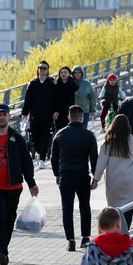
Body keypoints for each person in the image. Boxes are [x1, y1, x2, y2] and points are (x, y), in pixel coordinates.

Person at [0, 103, 39, 265]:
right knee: (0, 218)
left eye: (4, 114)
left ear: (9, 117)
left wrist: (31, 183)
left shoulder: (17, 138)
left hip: (13, 186)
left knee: (10, 219)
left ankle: (4, 249)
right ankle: (3, 252)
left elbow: (26, 162)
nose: (2, 117)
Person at [51, 105, 98, 251]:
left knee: (67, 208)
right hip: (82, 175)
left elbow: (54, 158)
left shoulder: (60, 134)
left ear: (69, 117)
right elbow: (94, 158)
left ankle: (71, 241)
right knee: (85, 207)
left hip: (65, 175)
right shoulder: (89, 135)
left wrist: (57, 174)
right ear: (82, 117)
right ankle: (85, 238)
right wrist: (95, 178)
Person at [92, 115, 133, 228]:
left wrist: (96, 179)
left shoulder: (108, 143)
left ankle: (118, 229)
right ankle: (126, 229)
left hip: (114, 180)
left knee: (115, 209)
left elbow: (101, 163)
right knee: (129, 207)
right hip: (130, 178)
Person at [21, 60, 56, 168]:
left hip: (47, 116)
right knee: (35, 137)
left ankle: (42, 158)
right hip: (35, 116)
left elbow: (55, 100)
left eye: (44, 68)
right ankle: (38, 151)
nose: (42, 70)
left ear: (48, 70)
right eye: (40, 68)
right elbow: (28, 100)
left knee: (45, 137)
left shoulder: (51, 84)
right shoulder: (33, 84)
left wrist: (55, 112)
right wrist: (24, 113)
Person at [53, 66, 78, 131]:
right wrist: (55, 111)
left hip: (70, 112)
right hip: (59, 113)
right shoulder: (56, 85)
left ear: (69, 74)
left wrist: (71, 80)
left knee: (70, 130)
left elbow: (75, 89)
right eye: (61, 72)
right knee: (59, 131)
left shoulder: (72, 84)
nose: (63, 74)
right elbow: (54, 99)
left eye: (65, 72)